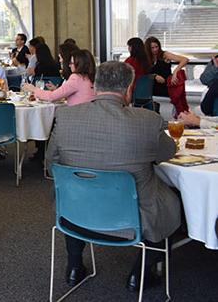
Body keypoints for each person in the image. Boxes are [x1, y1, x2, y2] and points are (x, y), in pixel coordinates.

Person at [46, 61, 180, 292]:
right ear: (129, 88)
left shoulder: (65, 117)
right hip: (134, 218)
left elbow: (51, 165)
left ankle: (75, 266)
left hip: (73, 213)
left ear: (95, 87)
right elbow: (168, 152)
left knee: (75, 191)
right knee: (173, 197)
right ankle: (140, 273)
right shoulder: (147, 121)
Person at [23, 49, 96, 105]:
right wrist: (57, 89)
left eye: (71, 63)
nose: (69, 65)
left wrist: (34, 89)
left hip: (75, 115)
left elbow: (51, 97)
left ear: (79, 64)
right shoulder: (89, 77)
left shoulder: (76, 78)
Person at [145, 36, 189, 115]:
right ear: (148, 49)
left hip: (166, 86)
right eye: (152, 48)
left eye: (156, 46)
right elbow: (144, 73)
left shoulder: (164, 54)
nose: (155, 49)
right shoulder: (147, 58)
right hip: (153, 86)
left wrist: (175, 71)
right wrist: (154, 76)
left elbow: (185, 59)